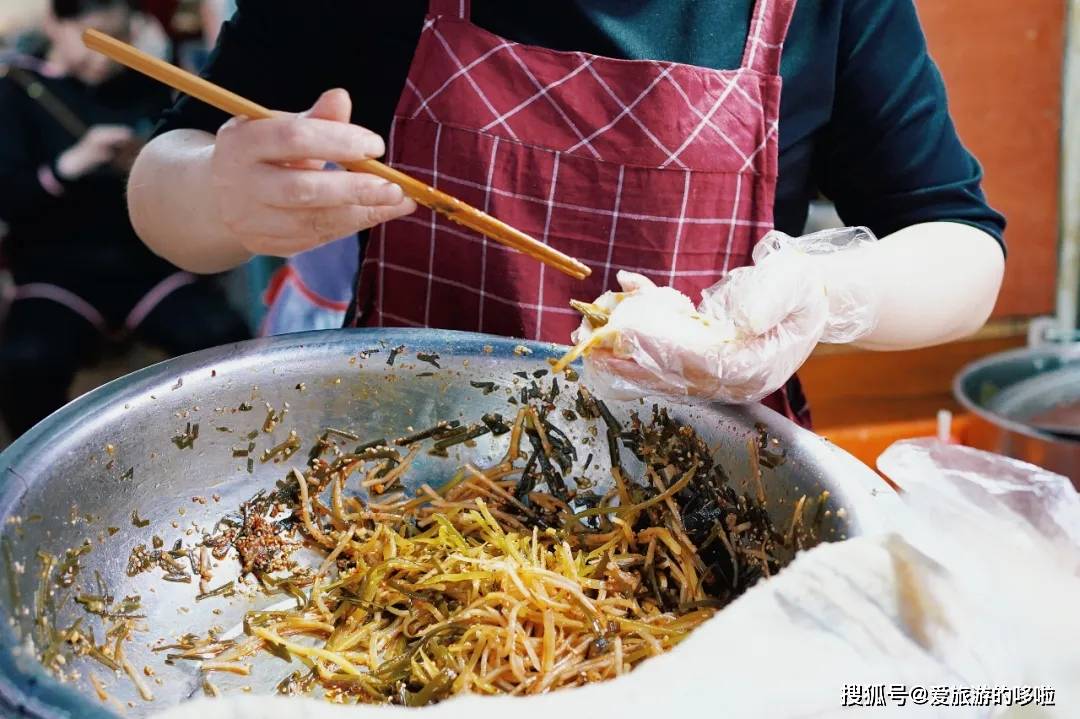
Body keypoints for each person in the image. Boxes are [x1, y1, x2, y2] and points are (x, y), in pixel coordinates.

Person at [127, 0, 1006, 425]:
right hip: (394, 475)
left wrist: (830, 292)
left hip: (716, 499)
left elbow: (964, 246)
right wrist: (221, 193)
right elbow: (160, 183)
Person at [0, 0, 250, 438]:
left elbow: (180, 161)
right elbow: (11, 198)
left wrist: (150, 161)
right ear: (55, 24)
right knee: (26, 363)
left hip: (145, 263)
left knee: (222, 337)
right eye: (91, 42)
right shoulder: (18, 90)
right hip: (59, 272)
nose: (102, 59)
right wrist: (69, 165)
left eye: (116, 43)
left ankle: (222, 451)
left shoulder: (144, 84)